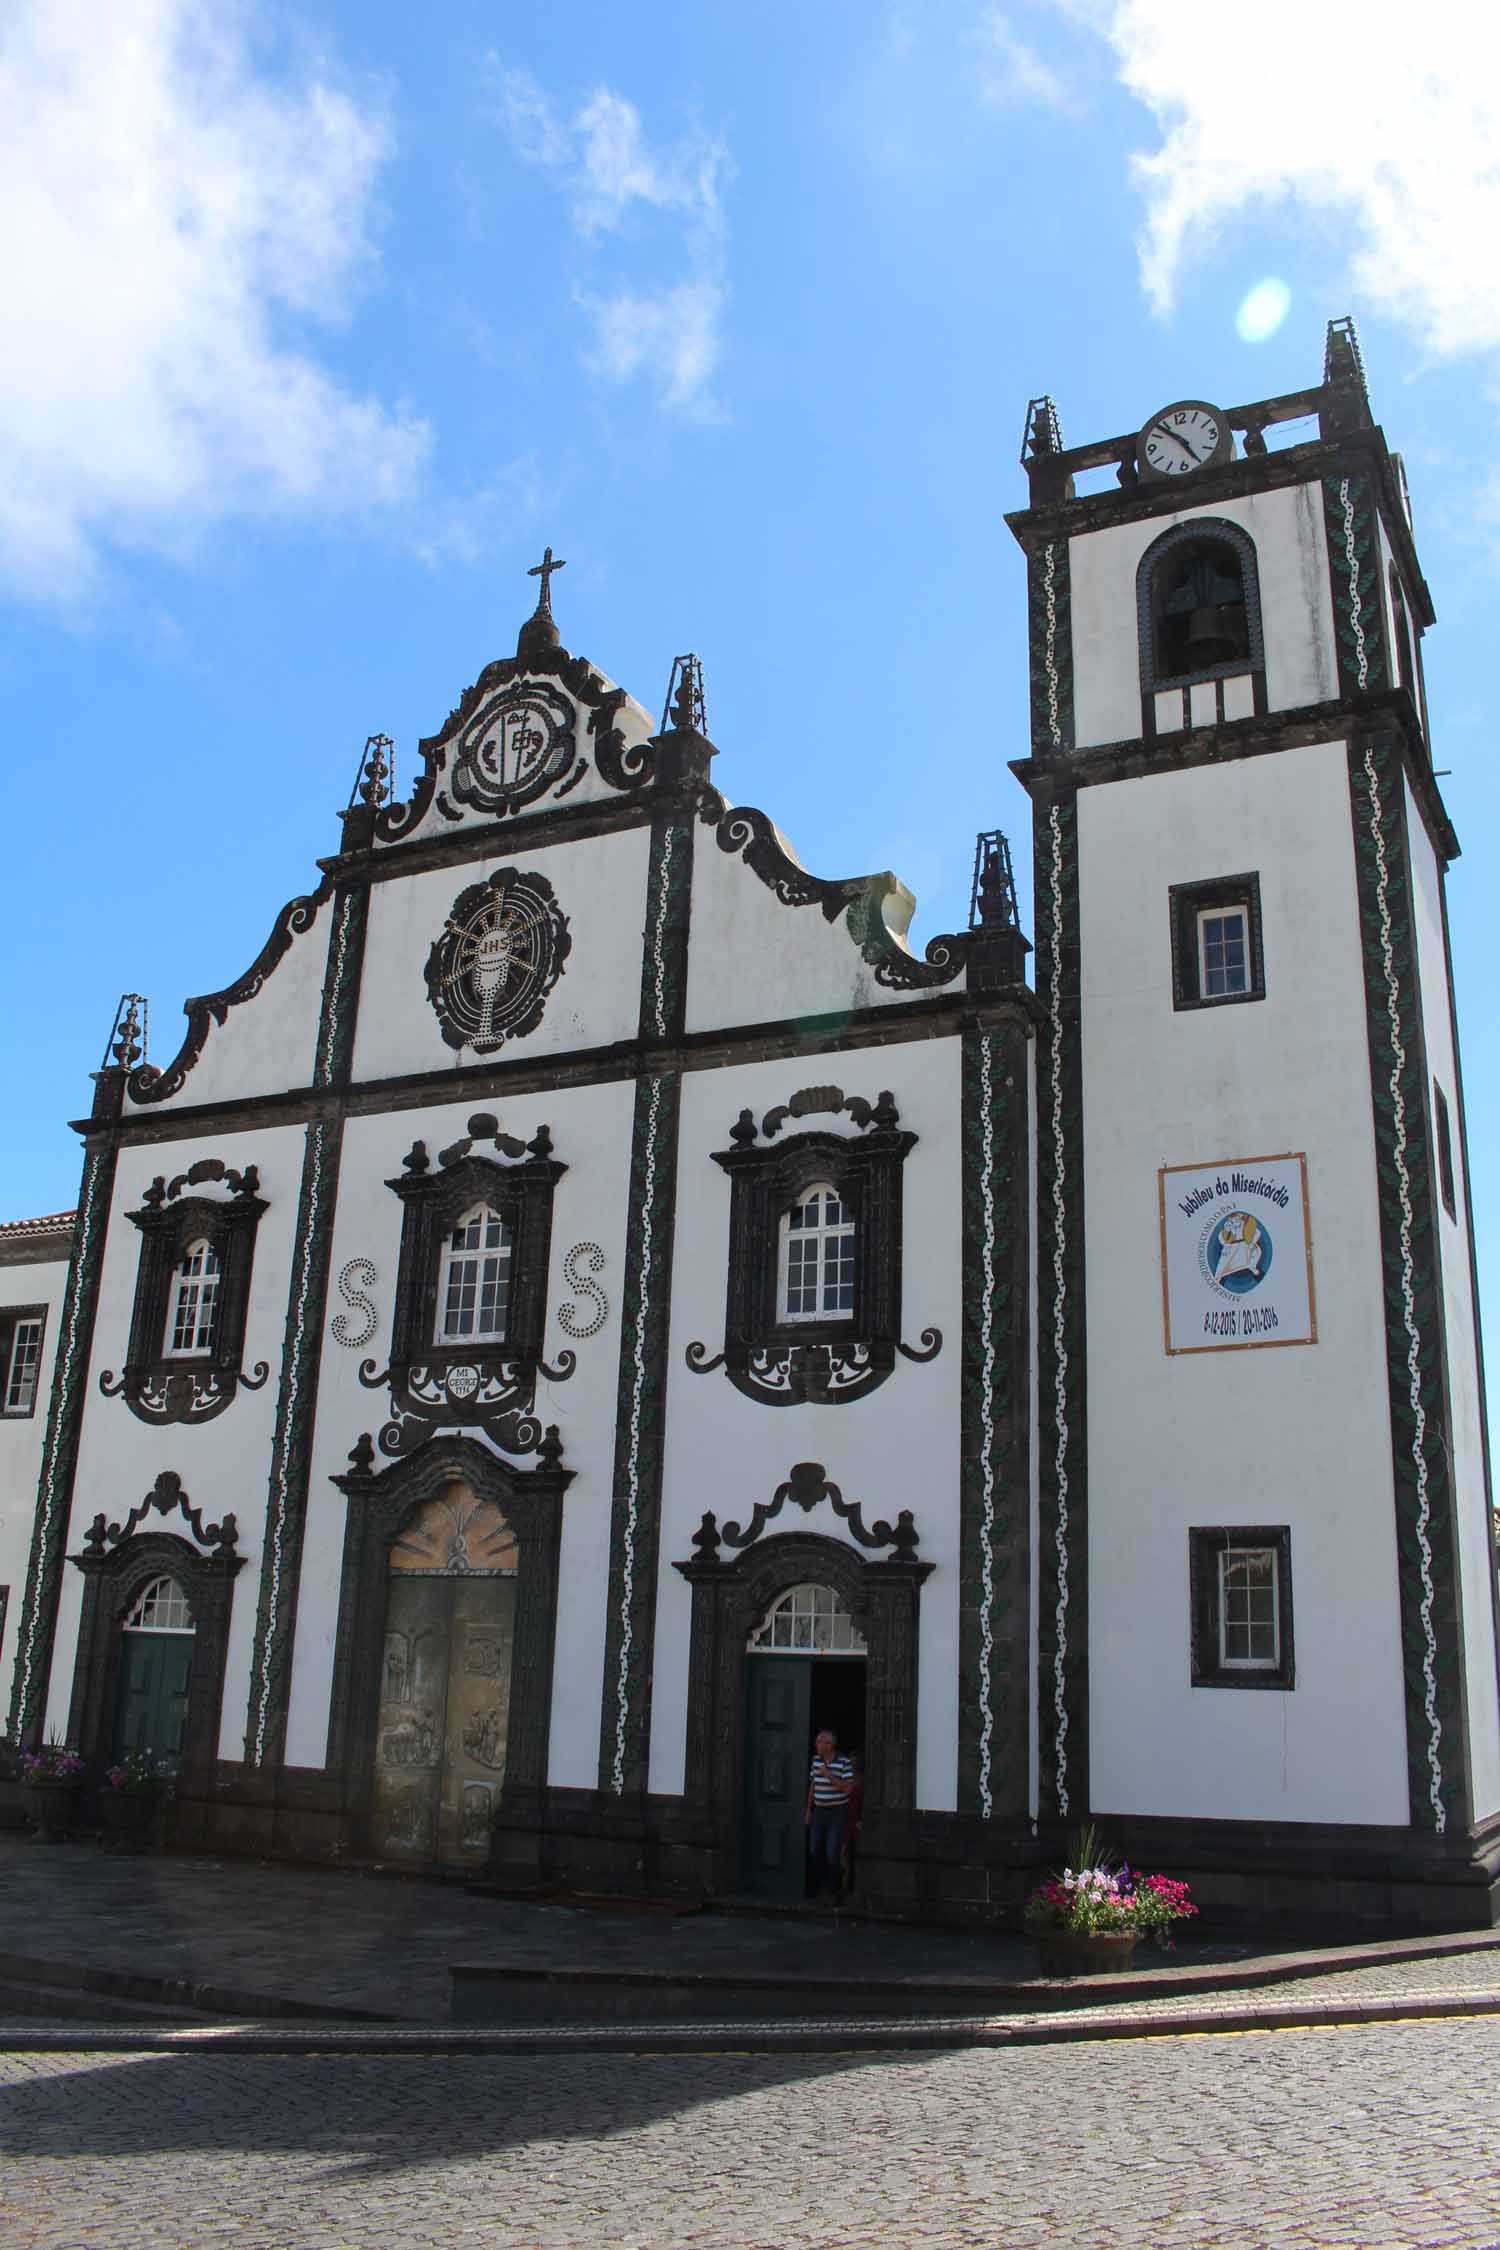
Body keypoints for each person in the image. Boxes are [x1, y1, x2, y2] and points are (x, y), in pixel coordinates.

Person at [805, 1728, 853, 1900]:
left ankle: (832, 1889)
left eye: (820, 1741)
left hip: (837, 1812)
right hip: (819, 1811)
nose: (816, 1744)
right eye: (817, 1741)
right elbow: (814, 1785)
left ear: (830, 1745)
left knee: (832, 1851)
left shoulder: (844, 1762)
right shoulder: (816, 1761)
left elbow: (848, 1788)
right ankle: (823, 1885)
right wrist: (809, 1809)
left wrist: (829, 1775)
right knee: (814, 1850)